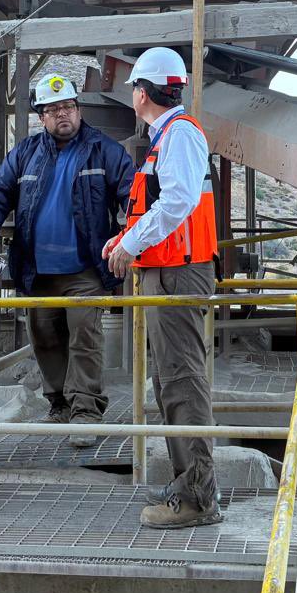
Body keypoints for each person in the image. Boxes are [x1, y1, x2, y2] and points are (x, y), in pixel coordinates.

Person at [0, 75, 134, 448]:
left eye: (69, 107)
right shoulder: (25, 154)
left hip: (86, 268)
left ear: (79, 110)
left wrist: (133, 238)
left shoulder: (104, 150)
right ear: (41, 116)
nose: (63, 115)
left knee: (84, 337)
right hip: (38, 270)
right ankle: (59, 402)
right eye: (54, 109)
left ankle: (86, 410)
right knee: (44, 337)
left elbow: (131, 193)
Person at [103, 48, 220, 530]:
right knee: (169, 381)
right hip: (168, 270)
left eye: (134, 88)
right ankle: (185, 483)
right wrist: (125, 238)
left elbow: (178, 202)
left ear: (142, 93)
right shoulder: (167, 138)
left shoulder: (180, 135)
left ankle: (197, 496)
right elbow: (161, 208)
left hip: (179, 274)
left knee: (181, 381)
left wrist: (130, 243)